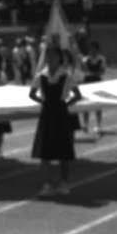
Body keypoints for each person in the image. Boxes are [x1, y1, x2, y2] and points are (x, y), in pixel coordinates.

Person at [29, 43, 81, 197]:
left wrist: (66, 104)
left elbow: (77, 94)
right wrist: (43, 102)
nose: (50, 58)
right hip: (46, 115)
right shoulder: (41, 76)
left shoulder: (66, 76)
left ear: (60, 58)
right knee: (45, 152)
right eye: (48, 56)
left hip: (61, 115)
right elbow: (31, 93)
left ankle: (64, 183)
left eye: (53, 56)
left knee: (63, 151)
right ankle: (47, 184)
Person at [78, 38, 107, 136]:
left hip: (97, 82)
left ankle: (98, 125)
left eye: (94, 49)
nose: (92, 50)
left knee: (97, 103)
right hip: (87, 82)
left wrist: (94, 73)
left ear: (97, 49)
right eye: (91, 49)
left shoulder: (101, 59)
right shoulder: (85, 59)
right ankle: (85, 124)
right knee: (86, 104)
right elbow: (83, 70)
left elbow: (103, 71)